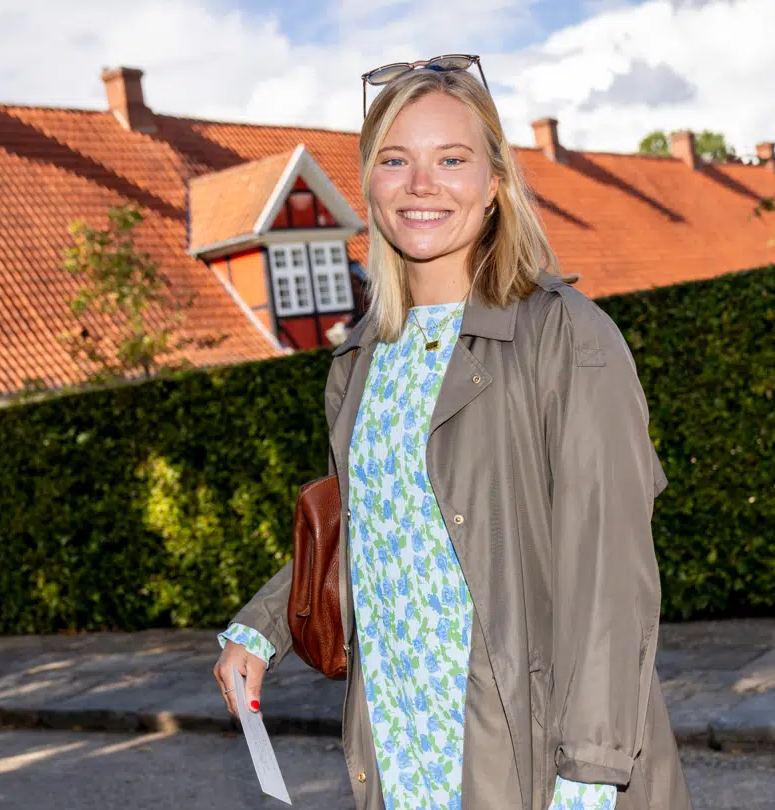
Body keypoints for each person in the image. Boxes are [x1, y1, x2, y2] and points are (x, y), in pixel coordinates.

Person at [213, 57, 691, 810]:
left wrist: (590, 775)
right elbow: (379, 527)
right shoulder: (364, 357)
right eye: (396, 160)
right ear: (369, 183)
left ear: (496, 183)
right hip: (401, 746)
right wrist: (264, 625)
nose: (421, 184)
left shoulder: (564, 336)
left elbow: (612, 574)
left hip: (529, 750)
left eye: (452, 159)